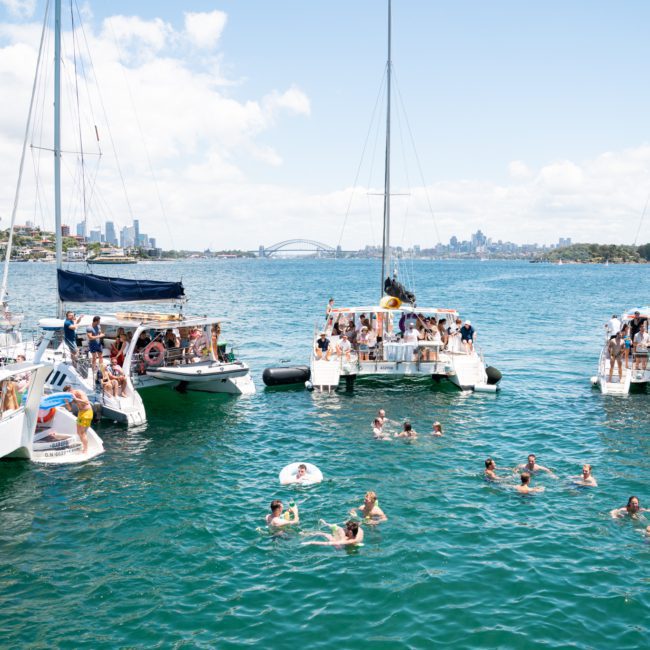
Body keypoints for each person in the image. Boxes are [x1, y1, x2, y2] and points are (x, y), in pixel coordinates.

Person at [62, 385, 93, 455]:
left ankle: (86, 450)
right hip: (80, 413)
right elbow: (70, 409)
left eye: (69, 393)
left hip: (87, 412)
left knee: (82, 432)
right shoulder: (70, 397)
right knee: (78, 432)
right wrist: (67, 402)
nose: (69, 395)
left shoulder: (79, 392)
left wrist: (76, 399)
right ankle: (83, 446)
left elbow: (86, 402)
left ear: (71, 389)